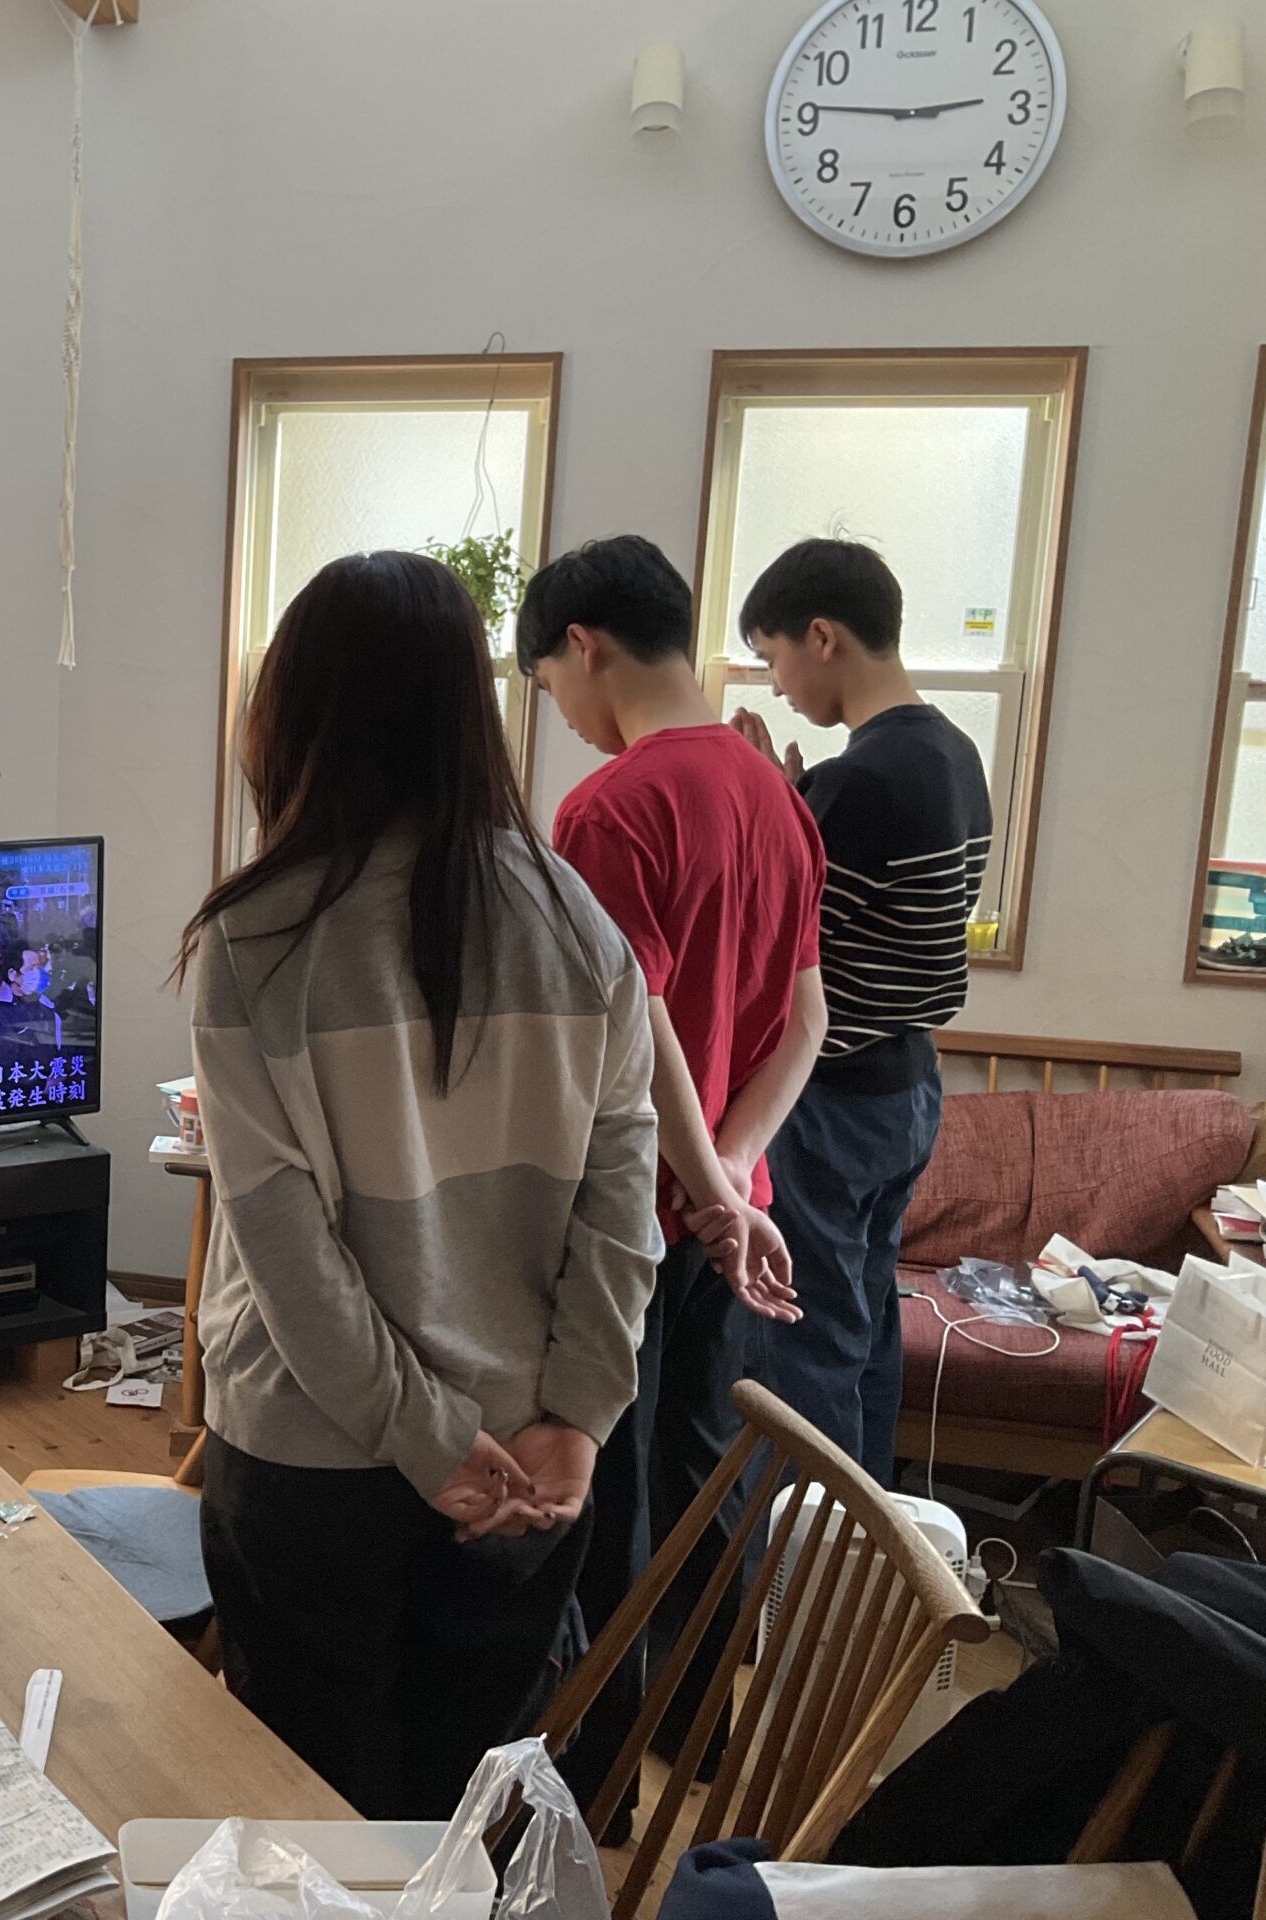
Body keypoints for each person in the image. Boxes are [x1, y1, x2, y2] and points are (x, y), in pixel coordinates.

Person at [180, 550, 663, 1819]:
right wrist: (578, 1416)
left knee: (313, 1816)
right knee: (466, 1812)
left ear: (291, 712)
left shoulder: (254, 939)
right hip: (526, 1463)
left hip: (316, 1453)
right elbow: (622, 1209)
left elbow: (285, 1251)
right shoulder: (579, 926)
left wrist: (424, 1440)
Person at [516, 534, 822, 1829]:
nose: (563, 715)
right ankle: (698, 1734)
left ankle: (600, 1793)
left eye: (549, 685)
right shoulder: (772, 793)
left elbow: (632, 1027)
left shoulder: (610, 809)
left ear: (583, 646)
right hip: (725, 1214)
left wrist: (700, 1188)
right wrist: (738, 1178)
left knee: (608, 1492)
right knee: (704, 1471)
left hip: (634, 1218)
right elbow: (806, 1018)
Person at [733, 540, 992, 1485]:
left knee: (804, 1340)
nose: (778, 683)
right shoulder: (954, 754)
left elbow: (780, 941)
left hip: (831, 1096)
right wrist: (793, 798)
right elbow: (871, 912)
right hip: (908, 1084)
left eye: (774, 657)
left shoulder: (865, 776)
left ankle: (808, 1554)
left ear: (822, 636)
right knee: (866, 1322)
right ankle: (872, 1529)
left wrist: (771, 804)